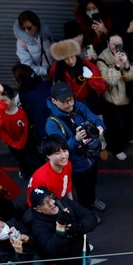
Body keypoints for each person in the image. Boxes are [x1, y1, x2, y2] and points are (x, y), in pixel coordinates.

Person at [45, 82, 107, 212]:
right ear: (54, 101)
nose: (70, 104)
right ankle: (86, 210)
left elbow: (95, 119)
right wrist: (76, 139)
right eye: (65, 101)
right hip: (76, 162)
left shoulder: (79, 106)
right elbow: (59, 149)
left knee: (92, 182)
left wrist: (99, 127)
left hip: (91, 155)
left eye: (71, 99)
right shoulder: (52, 123)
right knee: (82, 188)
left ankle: (92, 200)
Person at [24, 186, 100, 265]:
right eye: (45, 202)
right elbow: (54, 248)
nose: (51, 203)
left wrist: (77, 227)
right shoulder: (38, 226)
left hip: (83, 253)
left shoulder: (63, 203)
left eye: (50, 197)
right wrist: (61, 228)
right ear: (38, 209)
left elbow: (91, 217)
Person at [96, 34, 133, 160]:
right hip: (112, 99)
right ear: (108, 44)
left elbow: (131, 77)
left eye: (120, 44)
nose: (118, 47)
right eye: (114, 44)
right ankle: (116, 149)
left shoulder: (123, 54)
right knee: (116, 126)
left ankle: (124, 141)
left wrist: (126, 65)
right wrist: (116, 65)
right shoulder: (101, 59)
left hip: (126, 97)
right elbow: (110, 81)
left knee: (126, 123)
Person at [49, 39, 107, 115]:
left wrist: (91, 78)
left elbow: (102, 88)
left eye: (72, 57)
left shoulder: (88, 66)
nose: (71, 61)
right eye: (66, 58)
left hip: (90, 106)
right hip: (69, 108)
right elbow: (54, 89)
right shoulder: (56, 69)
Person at [27, 134, 73, 206]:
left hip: (59, 200)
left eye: (64, 151)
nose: (64, 156)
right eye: (57, 153)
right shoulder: (41, 179)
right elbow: (40, 205)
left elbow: (68, 185)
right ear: (48, 156)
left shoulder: (67, 164)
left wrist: (71, 204)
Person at [14, 10, 54, 78]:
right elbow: (28, 66)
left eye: (29, 28)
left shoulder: (45, 35)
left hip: (51, 73)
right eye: (23, 28)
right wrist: (46, 71)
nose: (26, 31)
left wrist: (51, 70)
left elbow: (50, 55)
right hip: (35, 77)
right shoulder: (21, 43)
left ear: (36, 25)